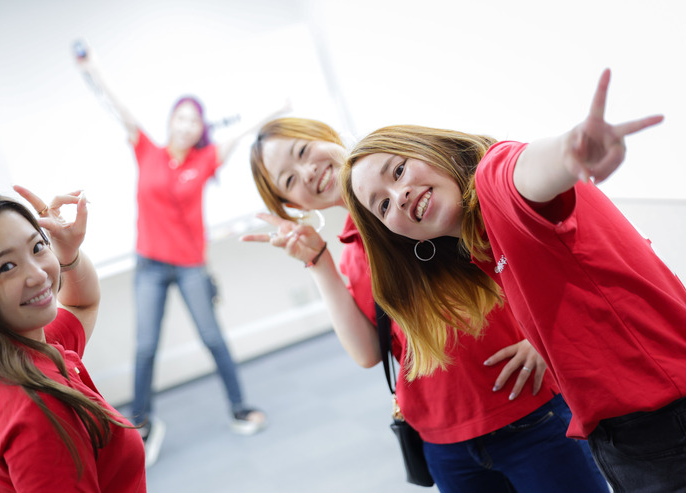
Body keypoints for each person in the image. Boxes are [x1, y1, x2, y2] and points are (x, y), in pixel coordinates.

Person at [342, 69, 686, 492]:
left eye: (398, 171)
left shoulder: (493, 180)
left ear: (435, 149)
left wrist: (570, 152)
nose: (400, 196)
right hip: (626, 425)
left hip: (665, 414)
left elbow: (520, 172)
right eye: (382, 206)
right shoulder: (479, 242)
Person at [242, 117, 608, 492]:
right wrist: (319, 262)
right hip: (445, 443)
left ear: (326, 135)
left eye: (303, 151)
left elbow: (541, 253)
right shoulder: (354, 254)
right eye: (289, 180)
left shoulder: (428, 194)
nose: (306, 172)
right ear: (294, 204)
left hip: (531, 411)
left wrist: (544, 339)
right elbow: (369, 353)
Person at [76, 52, 285, 467]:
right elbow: (120, 107)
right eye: (182, 118)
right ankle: (141, 425)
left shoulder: (205, 160)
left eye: (195, 121)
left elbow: (242, 130)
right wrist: (93, 69)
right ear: (171, 121)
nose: (187, 126)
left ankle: (240, 408)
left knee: (213, 338)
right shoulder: (146, 150)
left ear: (200, 129)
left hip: (190, 265)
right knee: (146, 347)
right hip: (150, 266)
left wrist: (277, 109)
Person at [0, 186, 146, 492]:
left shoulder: (13, 356)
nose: (38, 274)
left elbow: (82, 303)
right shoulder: (40, 408)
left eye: (37, 247)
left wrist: (68, 253)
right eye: (6, 267)